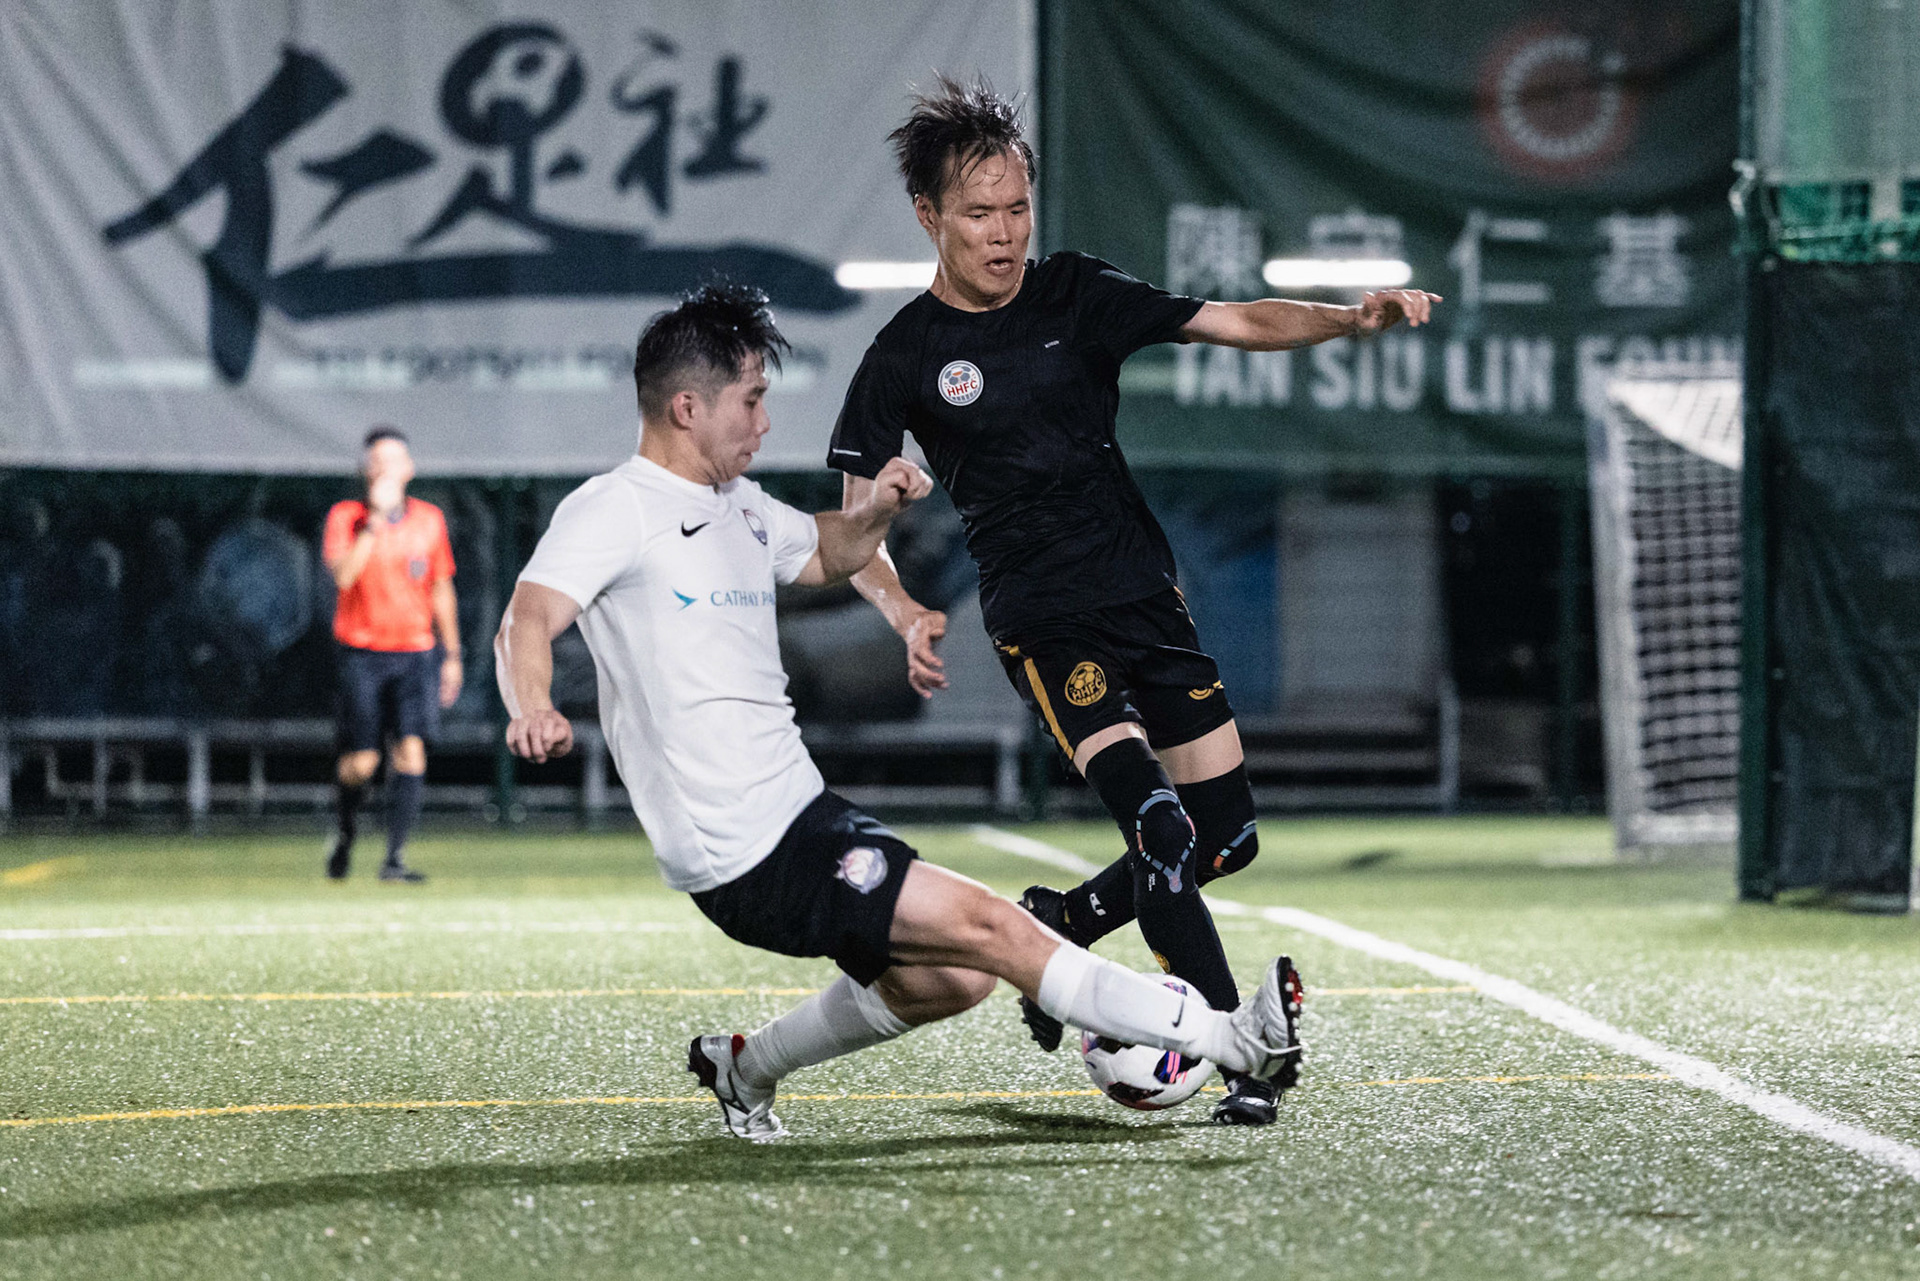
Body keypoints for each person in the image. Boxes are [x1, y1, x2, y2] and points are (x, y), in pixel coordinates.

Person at [494, 283, 1303, 1141]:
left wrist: (876, 508)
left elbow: (834, 550)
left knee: (951, 981)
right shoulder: (615, 507)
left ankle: (744, 1066)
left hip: (800, 812)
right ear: (687, 407)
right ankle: (1237, 1040)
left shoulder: (740, 508)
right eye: (753, 400)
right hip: (737, 844)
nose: (764, 423)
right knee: (998, 928)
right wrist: (532, 704)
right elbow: (527, 619)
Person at [827, 76, 1440, 1125]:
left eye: (1018, 207)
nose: (1004, 232)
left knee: (1225, 834)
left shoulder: (1078, 296)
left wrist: (1348, 320)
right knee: (1158, 825)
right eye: (979, 214)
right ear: (928, 217)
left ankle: (1063, 916)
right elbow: (845, 540)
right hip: (1042, 617)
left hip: (1146, 598)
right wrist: (898, 589)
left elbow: (1235, 317)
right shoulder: (903, 358)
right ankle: (1237, 1053)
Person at [321, 427, 461, 882]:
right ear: (366, 470)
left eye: (393, 459)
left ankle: (394, 860)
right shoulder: (347, 517)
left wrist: (453, 654)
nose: (385, 468)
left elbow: (441, 587)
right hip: (362, 654)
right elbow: (344, 577)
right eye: (376, 460)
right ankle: (344, 834)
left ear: (409, 469)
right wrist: (375, 523)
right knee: (362, 763)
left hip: (416, 654)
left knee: (411, 753)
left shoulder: (430, 520)